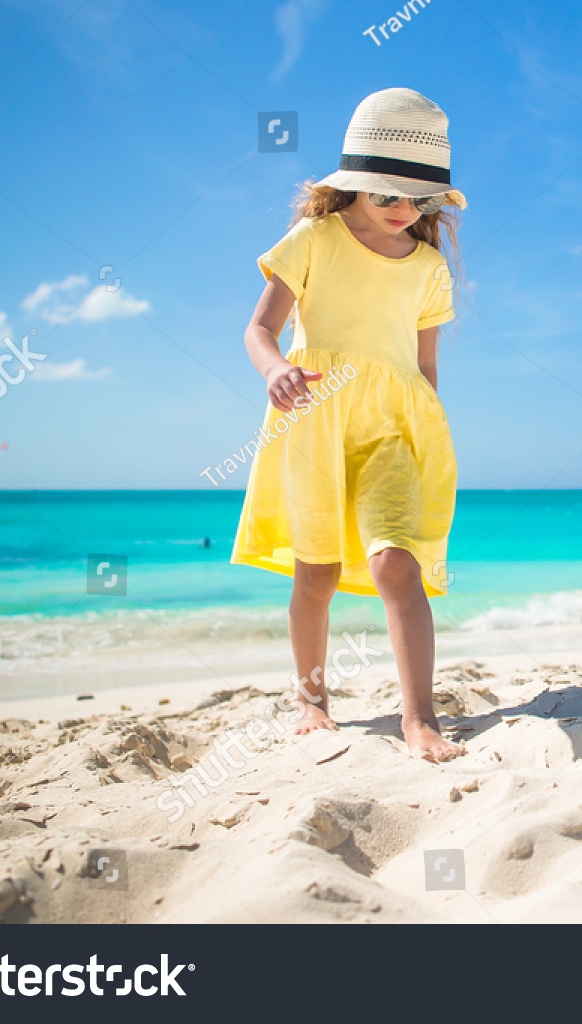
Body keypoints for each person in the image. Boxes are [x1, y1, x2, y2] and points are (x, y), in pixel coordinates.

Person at [232, 88, 466, 762]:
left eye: (418, 201)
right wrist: (274, 369)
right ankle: (311, 699)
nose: (404, 211)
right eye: (389, 195)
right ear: (355, 186)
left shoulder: (427, 268)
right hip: (315, 418)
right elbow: (259, 328)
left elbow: (424, 372)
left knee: (399, 563)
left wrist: (429, 443)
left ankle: (418, 716)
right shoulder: (314, 240)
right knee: (318, 571)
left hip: (394, 428)